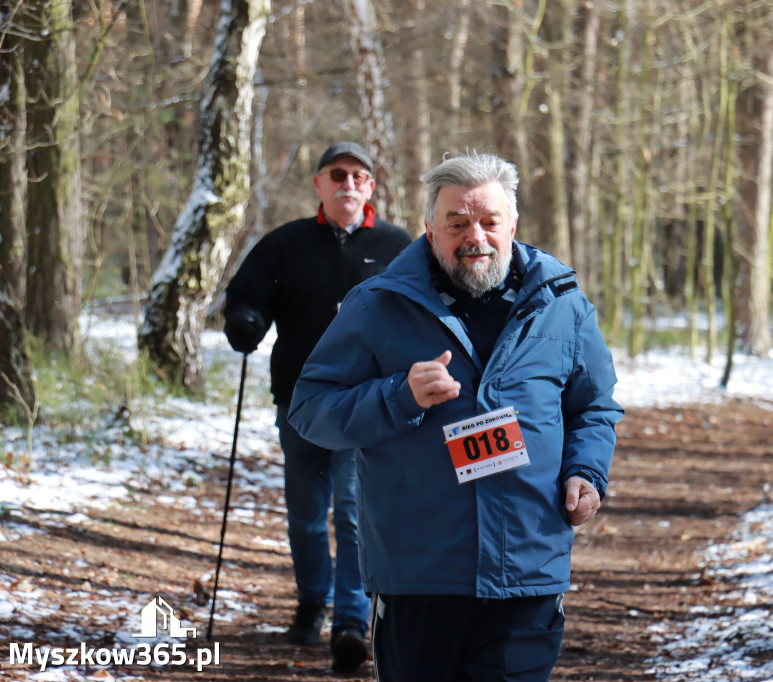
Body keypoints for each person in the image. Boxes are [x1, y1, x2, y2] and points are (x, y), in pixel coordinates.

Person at [288, 152, 622, 681]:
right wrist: (399, 396)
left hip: (527, 569)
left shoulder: (562, 304)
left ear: (512, 224)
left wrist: (586, 470)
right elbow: (310, 410)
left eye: (489, 222)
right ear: (429, 228)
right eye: (457, 223)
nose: (475, 237)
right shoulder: (377, 304)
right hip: (418, 577)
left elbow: (593, 406)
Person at [222, 141, 411, 673]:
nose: (348, 183)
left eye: (358, 176)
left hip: (367, 404)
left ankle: (351, 619)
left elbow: (424, 311)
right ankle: (311, 603)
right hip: (301, 402)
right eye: (337, 174)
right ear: (320, 185)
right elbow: (245, 296)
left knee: (353, 514)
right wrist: (246, 323)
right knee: (306, 513)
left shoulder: (399, 248)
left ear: (371, 187)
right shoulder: (286, 244)